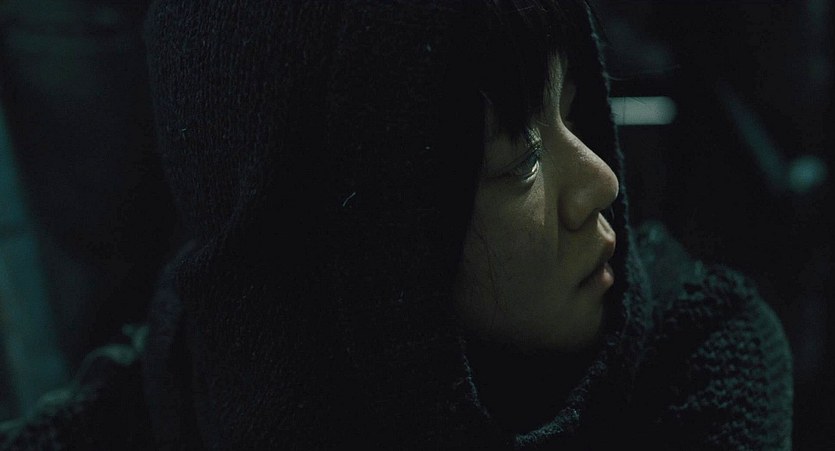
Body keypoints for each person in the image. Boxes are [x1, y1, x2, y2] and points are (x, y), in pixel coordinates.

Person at [0, 0, 793, 449]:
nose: (600, 183)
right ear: (369, 235)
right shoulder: (199, 368)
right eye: (519, 160)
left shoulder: (700, 362)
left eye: (575, 110)